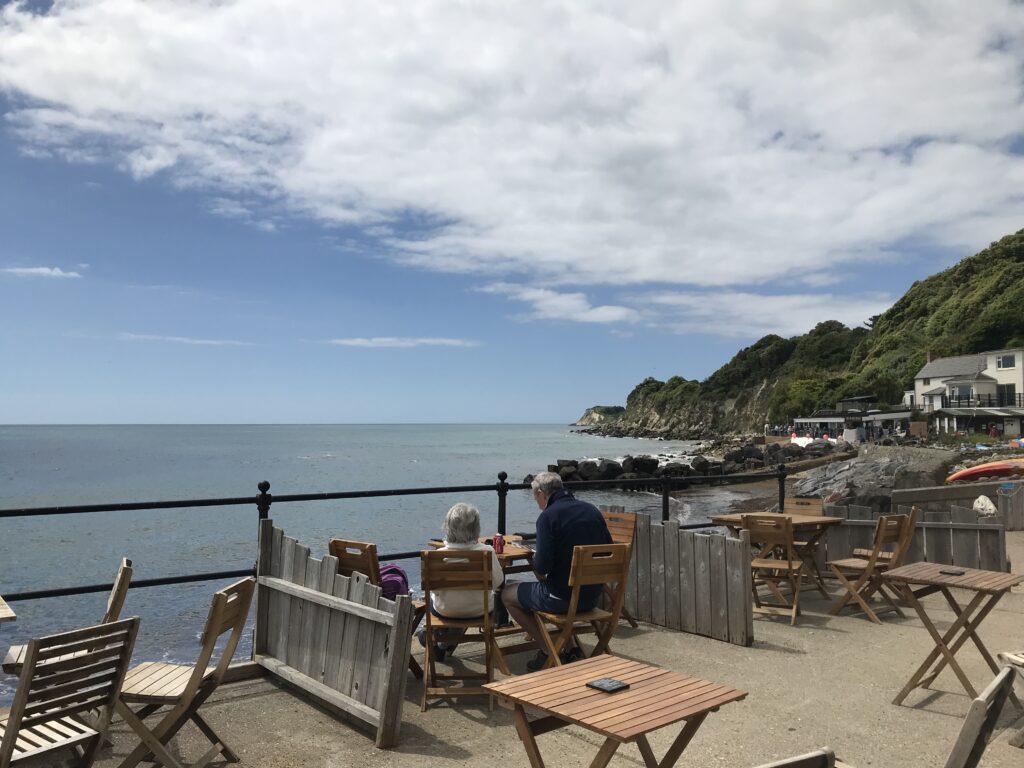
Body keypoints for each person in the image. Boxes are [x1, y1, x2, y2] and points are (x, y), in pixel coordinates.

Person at [501, 471, 612, 671]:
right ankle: (570, 648)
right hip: (591, 596)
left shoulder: (548, 517)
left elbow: (542, 567)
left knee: (508, 594)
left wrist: (535, 554)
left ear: (542, 494)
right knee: (553, 585)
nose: (537, 501)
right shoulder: (591, 510)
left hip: (563, 599)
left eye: (536, 497)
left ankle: (547, 649)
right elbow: (608, 550)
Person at [417, 503, 503, 661]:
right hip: (480, 610)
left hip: (446, 611)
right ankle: (443, 643)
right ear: (476, 527)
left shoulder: (437, 555)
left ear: (448, 527)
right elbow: (498, 582)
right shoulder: (487, 552)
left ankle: (433, 637)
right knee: (466, 602)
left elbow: (433, 590)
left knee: (436, 600)